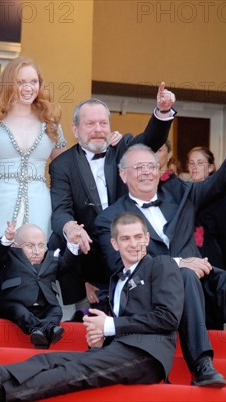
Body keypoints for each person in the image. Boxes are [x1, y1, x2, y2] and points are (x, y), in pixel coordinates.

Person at [95, 109, 226, 391]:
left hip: (201, 283)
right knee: (182, 275)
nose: (147, 172)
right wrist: (176, 263)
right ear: (123, 175)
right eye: (138, 168)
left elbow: (221, 182)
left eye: (151, 166)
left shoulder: (180, 192)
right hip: (153, 296)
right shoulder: (110, 217)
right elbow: (119, 265)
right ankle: (201, 364)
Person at [0, 212, 184, 402]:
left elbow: (168, 318)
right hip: (118, 349)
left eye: (138, 237)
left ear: (147, 238)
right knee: (50, 359)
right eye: (125, 239)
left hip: (147, 355)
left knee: (75, 371)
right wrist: (104, 337)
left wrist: (110, 325)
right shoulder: (117, 278)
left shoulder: (160, 264)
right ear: (115, 243)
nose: (133, 244)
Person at [49, 89, 176, 321]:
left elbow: (151, 140)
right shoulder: (62, 165)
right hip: (88, 260)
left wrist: (163, 111)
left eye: (103, 123)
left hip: (130, 252)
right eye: (90, 124)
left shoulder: (123, 148)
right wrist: (70, 227)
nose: (98, 129)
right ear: (75, 130)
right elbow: (60, 210)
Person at [0, 56, 67, 299]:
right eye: (21, 82)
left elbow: (65, 165)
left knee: (38, 252)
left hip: (40, 198)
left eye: (34, 81)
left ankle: (35, 315)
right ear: (8, 83)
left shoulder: (51, 120)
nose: (28, 88)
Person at [0, 222, 79, 349]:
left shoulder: (52, 258)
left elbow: (66, 264)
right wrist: (7, 239)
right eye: (30, 246)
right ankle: (41, 329)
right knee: (19, 312)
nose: (37, 251)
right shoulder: (10, 257)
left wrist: (72, 243)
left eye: (41, 245)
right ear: (16, 245)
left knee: (56, 311)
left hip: (45, 304)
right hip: (14, 304)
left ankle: (49, 329)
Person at [187, 146, 226, 270]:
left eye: (200, 163)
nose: (194, 167)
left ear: (211, 167)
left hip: (211, 257)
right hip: (188, 257)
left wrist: (225, 265)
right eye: (191, 163)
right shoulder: (184, 193)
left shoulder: (219, 197)